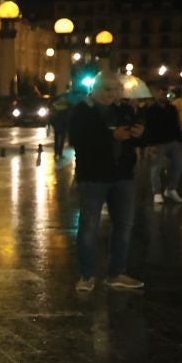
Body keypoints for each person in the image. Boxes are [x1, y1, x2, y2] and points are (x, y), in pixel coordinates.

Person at [69, 77, 143, 292]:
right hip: (93, 176)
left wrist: (139, 134)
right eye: (107, 88)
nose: (112, 93)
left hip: (123, 175)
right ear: (96, 88)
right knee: (88, 227)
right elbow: (78, 140)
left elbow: (135, 139)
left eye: (116, 89)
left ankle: (117, 273)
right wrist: (111, 136)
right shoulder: (82, 110)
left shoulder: (123, 109)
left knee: (124, 225)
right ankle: (86, 276)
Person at [141, 88, 182, 205]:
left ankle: (171, 189)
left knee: (179, 164)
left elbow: (176, 124)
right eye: (161, 93)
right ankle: (157, 192)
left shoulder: (172, 108)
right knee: (156, 167)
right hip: (158, 142)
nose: (163, 96)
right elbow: (148, 127)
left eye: (165, 94)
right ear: (156, 95)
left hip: (172, 140)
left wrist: (179, 139)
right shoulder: (151, 110)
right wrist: (150, 143)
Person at [49, 91, 74, 158]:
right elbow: (69, 117)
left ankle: (56, 153)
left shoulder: (55, 106)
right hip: (63, 125)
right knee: (62, 139)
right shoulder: (68, 107)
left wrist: (52, 124)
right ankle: (60, 153)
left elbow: (51, 117)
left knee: (56, 139)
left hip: (57, 125)